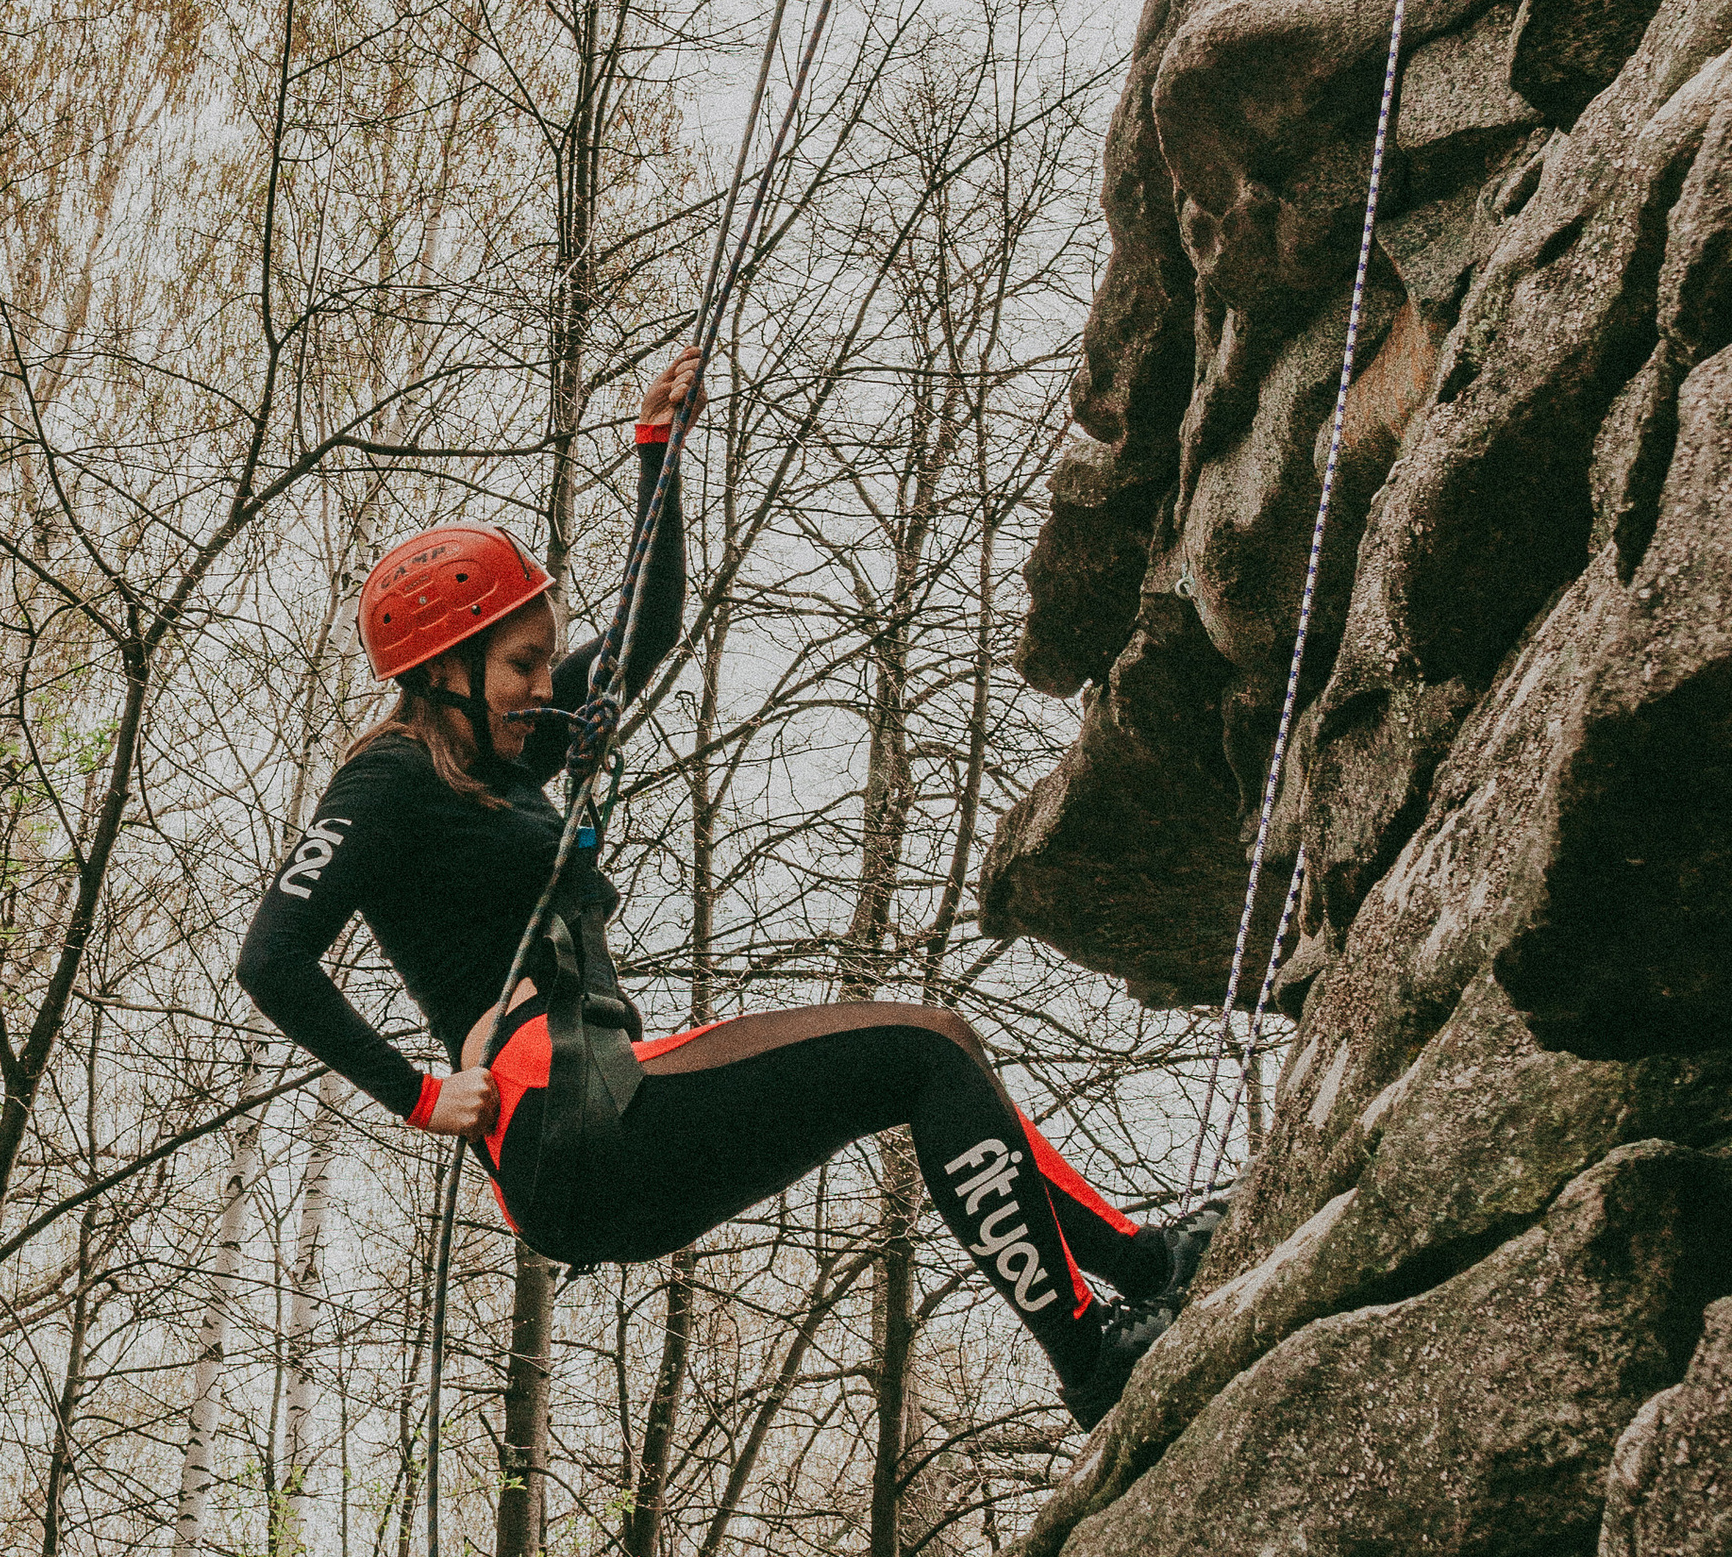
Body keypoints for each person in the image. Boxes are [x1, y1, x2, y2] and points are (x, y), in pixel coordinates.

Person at [236, 346, 1218, 1425]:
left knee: (941, 1054)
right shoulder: (385, 779)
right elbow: (271, 958)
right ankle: (1090, 1354)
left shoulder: (510, 755)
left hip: (604, 1106)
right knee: (923, 1047)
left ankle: (1136, 1264)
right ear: (441, 672)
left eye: (543, 659)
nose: (540, 686)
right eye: (519, 664)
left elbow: (644, 636)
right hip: (568, 1126)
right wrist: (421, 1096)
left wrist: (658, 451)